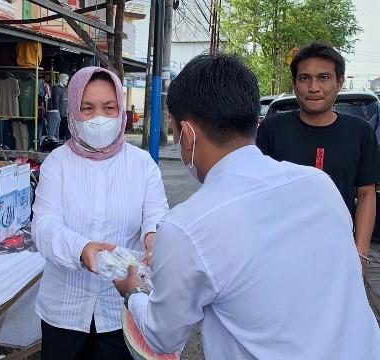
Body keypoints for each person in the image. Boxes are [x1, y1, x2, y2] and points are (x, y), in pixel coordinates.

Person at [114, 54, 380, 359]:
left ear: (187, 134)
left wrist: (133, 290)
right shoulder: (319, 184)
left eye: (174, 130)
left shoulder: (187, 227)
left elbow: (163, 337)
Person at [32, 66, 168, 360]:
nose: (99, 119)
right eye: (87, 108)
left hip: (121, 306)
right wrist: (82, 250)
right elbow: (44, 225)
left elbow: (156, 213)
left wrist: (154, 237)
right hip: (64, 312)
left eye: (109, 108)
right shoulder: (57, 163)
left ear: (121, 110)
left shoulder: (142, 165)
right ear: (73, 111)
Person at [256, 42, 380, 322]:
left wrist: (358, 254)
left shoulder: (359, 133)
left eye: (323, 78)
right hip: (281, 253)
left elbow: (367, 195)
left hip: (339, 252)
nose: (314, 87)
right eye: (304, 78)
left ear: (339, 82)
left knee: (337, 325)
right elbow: (258, 192)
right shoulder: (273, 129)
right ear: (294, 83)